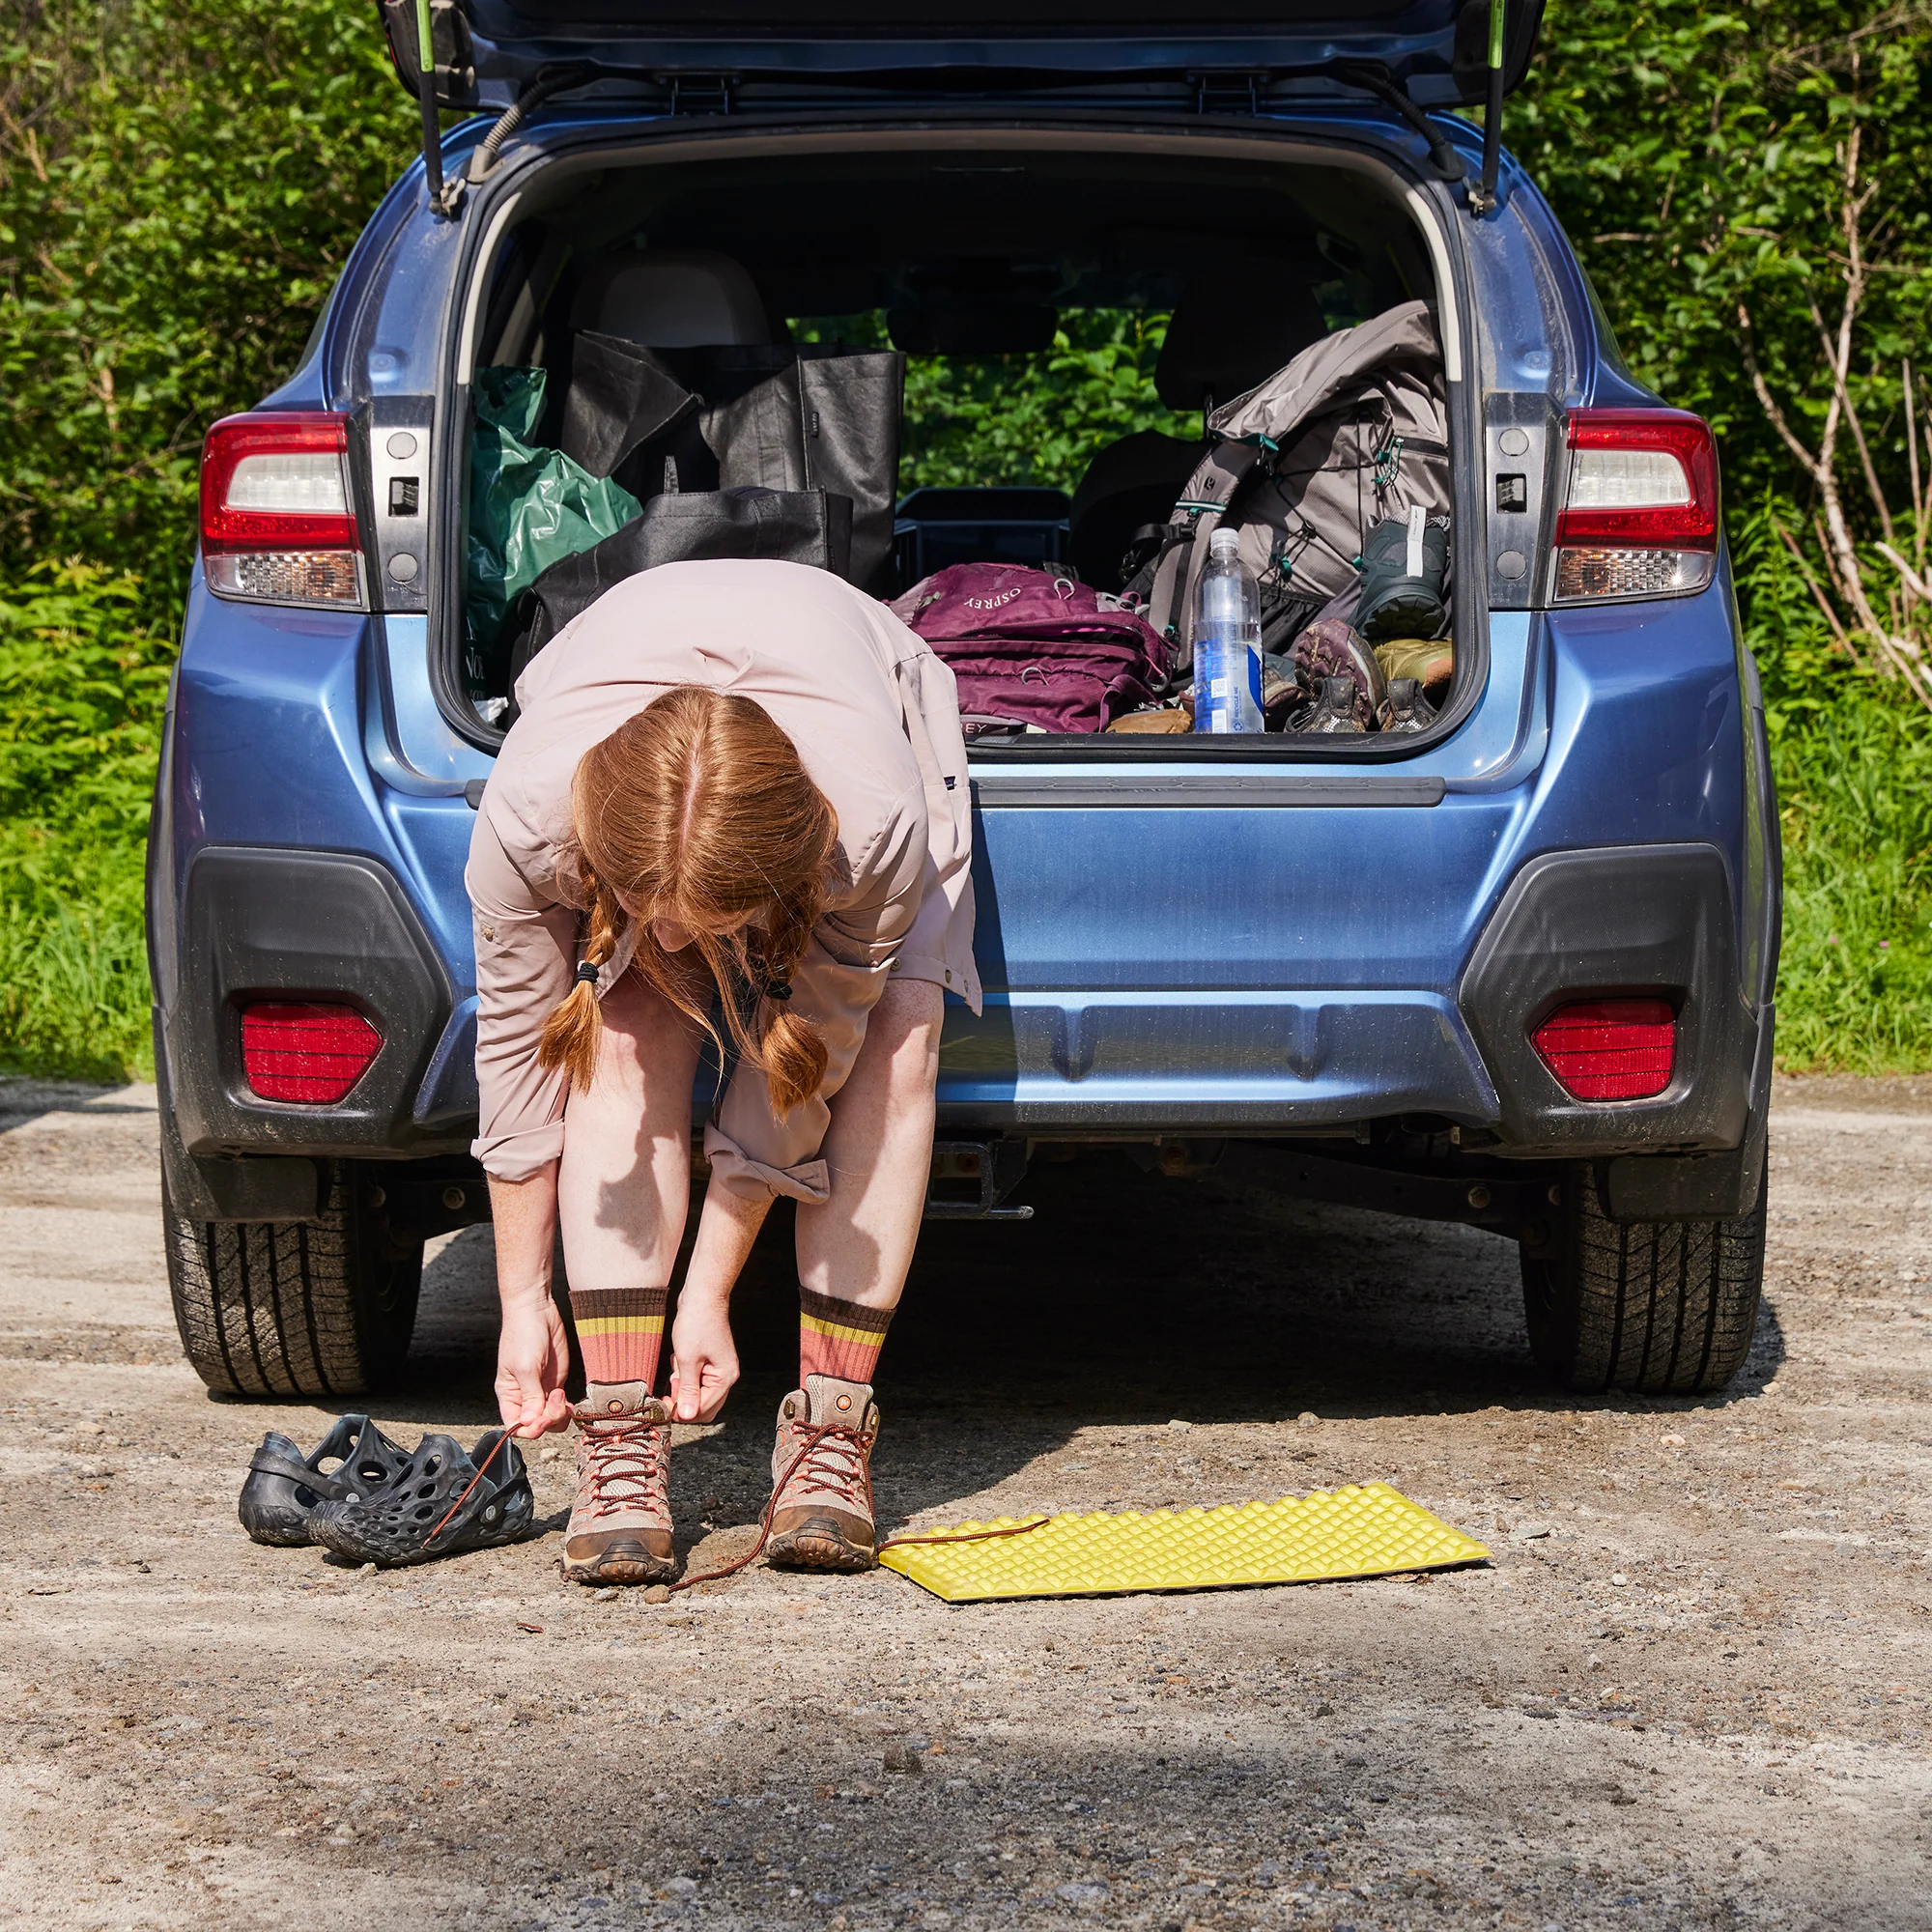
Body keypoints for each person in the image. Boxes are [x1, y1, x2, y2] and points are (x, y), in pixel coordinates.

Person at [467, 558, 978, 1586]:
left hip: (855, 681)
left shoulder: (868, 832)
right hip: (619, 667)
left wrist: (712, 1288)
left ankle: (830, 1433)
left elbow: (808, 1059)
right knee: (625, 1016)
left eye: (707, 923)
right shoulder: (528, 823)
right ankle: (618, 1430)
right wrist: (520, 1298)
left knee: (898, 1031)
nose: (670, 935)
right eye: (645, 905)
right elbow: (518, 1061)